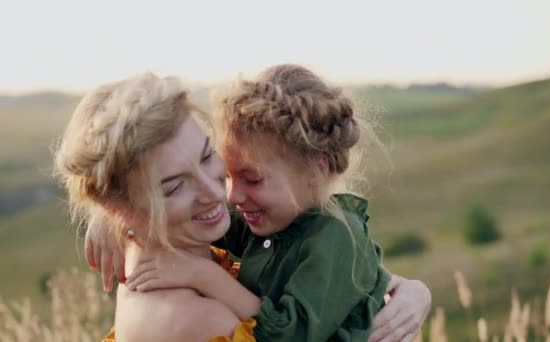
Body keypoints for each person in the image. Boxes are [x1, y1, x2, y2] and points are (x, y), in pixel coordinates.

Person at [83, 69, 432, 341]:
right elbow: (188, 217)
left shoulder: (336, 237)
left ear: (316, 168)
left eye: (253, 179)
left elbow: (288, 336)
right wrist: (113, 211)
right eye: (231, 175)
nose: (230, 196)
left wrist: (204, 277)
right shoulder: (268, 222)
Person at [55, 73, 255, 340]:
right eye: (174, 187)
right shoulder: (202, 319)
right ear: (119, 208)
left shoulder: (151, 250)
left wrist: (108, 218)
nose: (214, 191)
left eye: (207, 156)